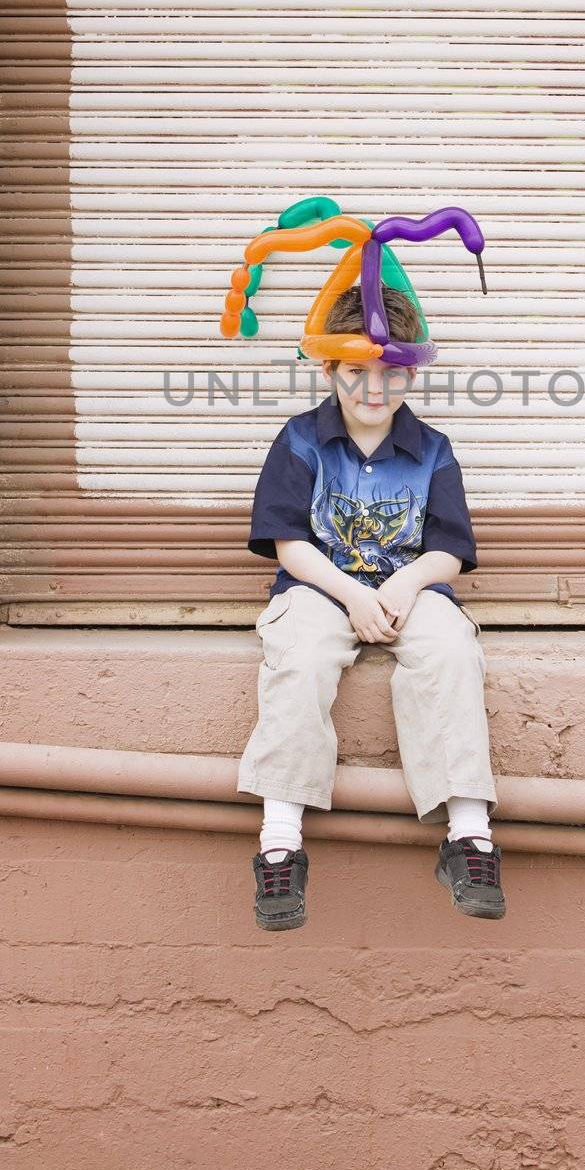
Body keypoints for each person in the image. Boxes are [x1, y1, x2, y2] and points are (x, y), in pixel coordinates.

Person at [236, 284, 505, 929]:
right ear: (328, 369)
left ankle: (469, 834)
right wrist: (353, 594)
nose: (373, 388)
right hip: (319, 589)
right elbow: (288, 543)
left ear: (412, 371)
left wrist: (406, 586)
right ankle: (281, 841)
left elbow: (449, 549)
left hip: (411, 588)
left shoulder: (434, 449)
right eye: (356, 371)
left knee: (449, 651)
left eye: (391, 372)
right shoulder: (301, 441)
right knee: (298, 658)